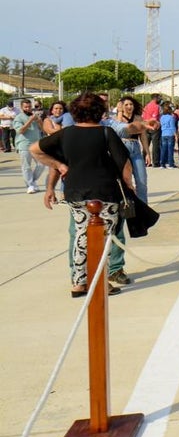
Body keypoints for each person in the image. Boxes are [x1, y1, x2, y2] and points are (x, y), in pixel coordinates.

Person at [30, 92, 135, 297]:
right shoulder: (106, 132)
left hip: (75, 192)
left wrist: (59, 165)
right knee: (103, 239)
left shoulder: (66, 133)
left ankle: (79, 282)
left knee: (81, 236)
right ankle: (100, 280)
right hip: (105, 192)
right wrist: (129, 186)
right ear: (99, 111)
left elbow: (35, 150)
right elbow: (125, 165)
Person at [107, 96, 157, 204]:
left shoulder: (138, 118)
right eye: (126, 105)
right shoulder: (116, 119)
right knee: (125, 181)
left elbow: (143, 136)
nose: (129, 107)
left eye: (131, 104)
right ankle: (127, 204)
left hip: (135, 149)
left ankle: (143, 207)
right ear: (121, 107)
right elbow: (119, 129)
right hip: (122, 148)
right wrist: (120, 112)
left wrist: (147, 153)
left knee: (142, 181)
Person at [13, 99, 45, 193]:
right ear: (22, 108)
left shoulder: (35, 116)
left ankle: (33, 181)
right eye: (26, 107)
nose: (28, 108)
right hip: (24, 144)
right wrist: (30, 120)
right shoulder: (18, 118)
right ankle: (30, 185)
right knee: (26, 166)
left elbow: (43, 129)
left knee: (42, 164)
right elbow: (21, 131)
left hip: (36, 144)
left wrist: (39, 121)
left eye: (29, 106)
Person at [142, 93, 161, 167]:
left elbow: (143, 116)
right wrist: (156, 124)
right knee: (155, 145)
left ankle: (143, 161)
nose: (160, 99)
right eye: (159, 98)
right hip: (154, 127)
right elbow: (154, 117)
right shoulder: (156, 106)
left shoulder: (146, 106)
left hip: (146, 126)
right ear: (155, 98)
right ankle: (156, 162)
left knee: (145, 145)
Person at [158, 103, 178, 168]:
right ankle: (170, 164)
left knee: (163, 149)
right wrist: (176, 135)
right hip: (170, 134)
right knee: (170, 149)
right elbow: (172, 127)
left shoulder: (161, 117)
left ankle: (162, 164)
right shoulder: (171, 117)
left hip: (163, 134)